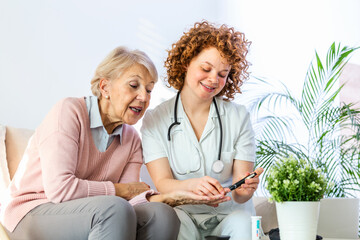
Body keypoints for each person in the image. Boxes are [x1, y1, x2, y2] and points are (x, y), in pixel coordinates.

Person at [0, 46, 226, 240]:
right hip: (33, 213)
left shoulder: (132, 140)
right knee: (114, 209)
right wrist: (119, 190)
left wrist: (170, 198)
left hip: (91, 212)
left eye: (149, 89)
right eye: (134, 85)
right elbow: (60, 190)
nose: (144, 97)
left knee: (162, 214)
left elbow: (132, 199)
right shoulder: (69, 112)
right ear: (105, 87)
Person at [141, 21, 263, 240]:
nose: (213, 80)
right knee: (173, 227)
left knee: (245, 227)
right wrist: (193, 185)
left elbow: (241, 193)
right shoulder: (155, 120)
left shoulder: (238, 117)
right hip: (184, 212)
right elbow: (163, 183)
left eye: (223, 74)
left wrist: (246, 188)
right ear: (186, 62)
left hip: (231, 213)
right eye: (206, 69)